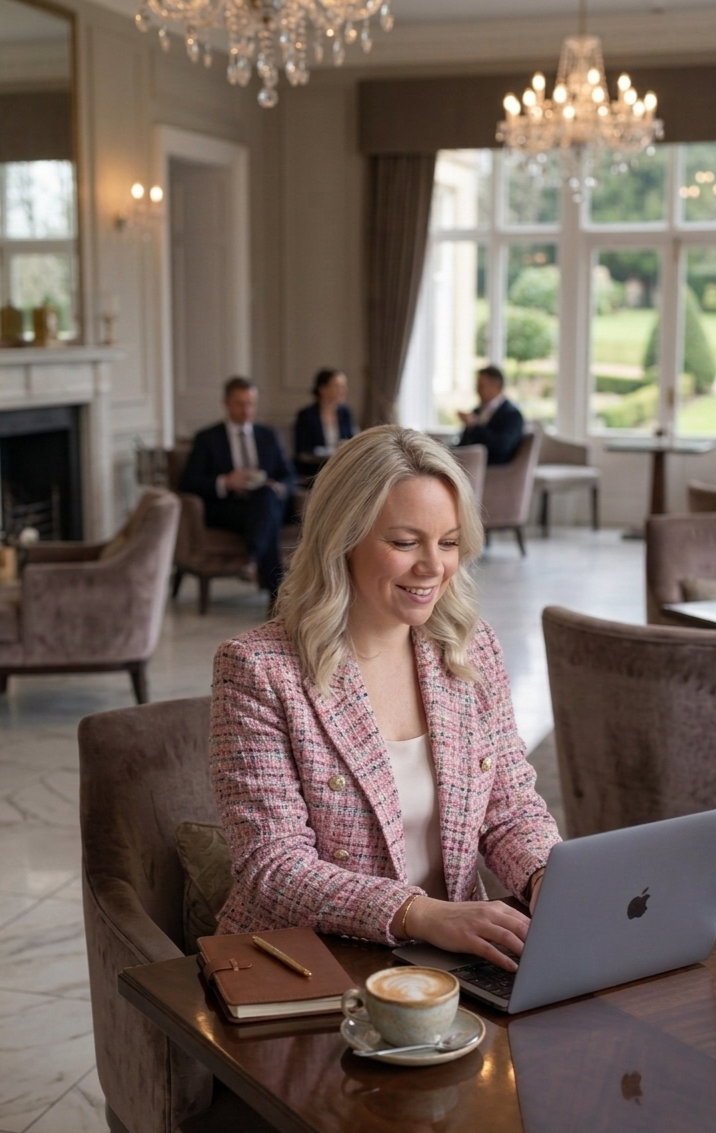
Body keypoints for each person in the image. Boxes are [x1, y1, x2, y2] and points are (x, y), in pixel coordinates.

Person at [210, 426, 560, 971]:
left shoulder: (470, 649)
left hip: (454, 960)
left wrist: (546, 878)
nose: (433, 567)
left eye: (447, 542)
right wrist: (420, 915)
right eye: (404, 542)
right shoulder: (258, 669)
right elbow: (273, 865)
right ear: (342, 538)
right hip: (315, 965)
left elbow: (508, 809)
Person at [179, 376, 295, 599]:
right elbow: (189, 482)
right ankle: (276, 594)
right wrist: (226, 481)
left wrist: (277, 487)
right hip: (230, 508)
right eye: (240, 403)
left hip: (266, 502)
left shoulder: (268, 436)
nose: (246, 410)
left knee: (266, 498)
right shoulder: (207, 438)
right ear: (226, 403)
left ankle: (253, 560)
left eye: (250, 403)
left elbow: (289, 475)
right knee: (267, 515)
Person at [293, 368, 356, 479]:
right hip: (315, 466)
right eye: (337, 386)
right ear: (322, 389)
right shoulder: (306, 415)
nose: (343, 390)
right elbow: (302, 450)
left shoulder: (345, 413)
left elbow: (351, 442)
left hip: (341, 464)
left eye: (343, 386)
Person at [457, 364, 524, 465]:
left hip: (493, 470)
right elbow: (464, 444)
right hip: (468, 463)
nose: (477, 390)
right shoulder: (477, 410)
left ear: (495, 386)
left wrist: (474, 426)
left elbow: (503, 446)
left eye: (481, 386)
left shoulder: (512, 414)